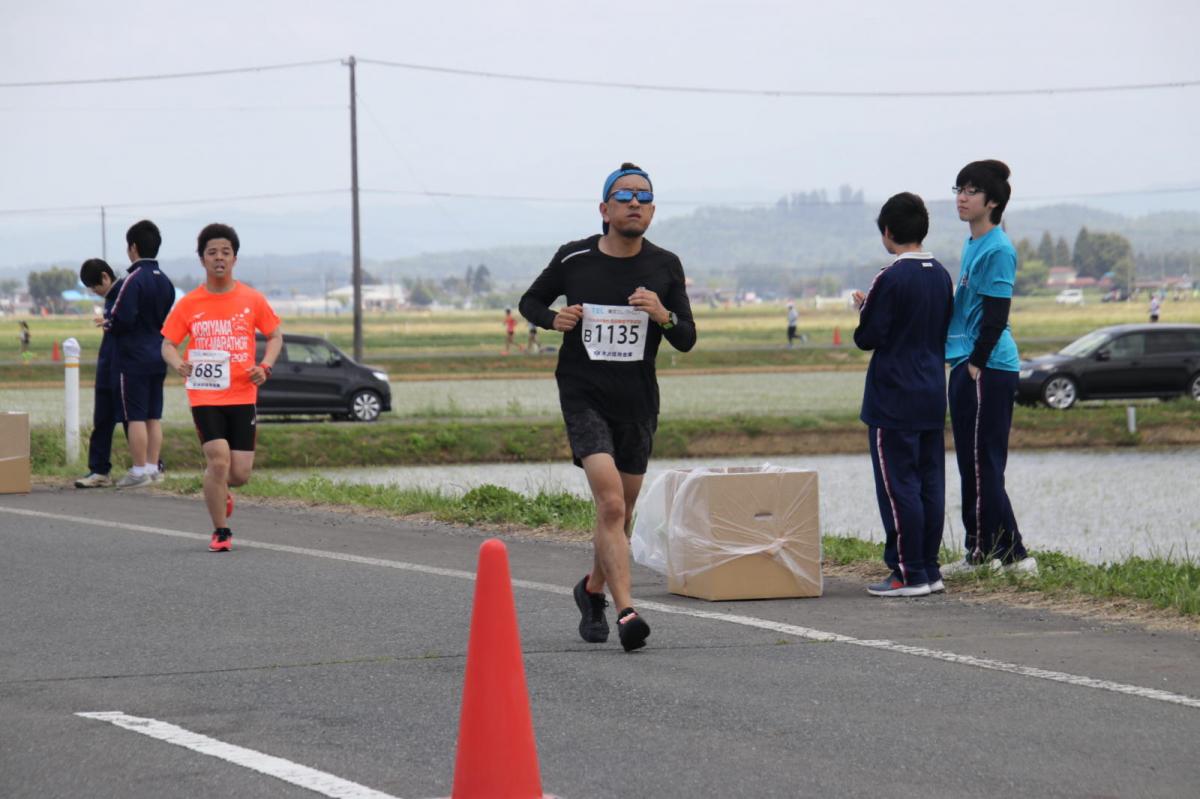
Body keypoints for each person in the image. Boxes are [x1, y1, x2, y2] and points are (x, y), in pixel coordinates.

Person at [519, 162, 696, 652]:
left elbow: (686, 338)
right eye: (623, 196)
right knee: (612, 503)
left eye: (644, 196)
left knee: (621, 511)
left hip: (637, 400)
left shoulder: (665, 265)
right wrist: (556, 318)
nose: (634, 202)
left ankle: (591, 590)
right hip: (583, 394)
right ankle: (626, 612)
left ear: (653, 210)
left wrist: (663, 315)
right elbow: (529, 302)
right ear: (604, 208)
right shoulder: (574, 258)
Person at [852, 193, 954, 597]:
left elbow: (868, 336)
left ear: (888, 232)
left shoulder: (890, 277)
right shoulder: (941, 273)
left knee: (898, 487)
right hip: (932, 390)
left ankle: (907, 572)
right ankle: (929, 568)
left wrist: (863, 309)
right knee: (929, 483)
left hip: (894, 395)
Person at [160, 223, 282, 552]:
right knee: (218, 461)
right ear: (202, 260)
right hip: (204, 394)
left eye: (225, 252)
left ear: (234, 259)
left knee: (239, 474)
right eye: (212, 252)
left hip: (243, 393)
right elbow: (168, 343)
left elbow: (274, 336)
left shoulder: (251, 299)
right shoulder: (189, 304)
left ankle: (220, 489)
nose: (219, 258)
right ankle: (221, 531)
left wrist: (265, 366)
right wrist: (177, 363)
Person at [943, 160, 1038, 577]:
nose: (961, 198)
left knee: (982, 466)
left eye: (971, 190)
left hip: (988, 367)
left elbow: (997, 314)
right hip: (970, 363)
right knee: (977, 463)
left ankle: (982, 555)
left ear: (993, 201)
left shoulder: (999, 249)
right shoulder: (971, 244)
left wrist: (977, 364)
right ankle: (1014, 556)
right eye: (958, 189)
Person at [106, 220, 175, 488]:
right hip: (158, 352)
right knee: (153, 415)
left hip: (133, 355)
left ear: (132, 247)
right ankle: (152, 468)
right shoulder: (166, 281)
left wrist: (109, 323)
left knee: (134, 416)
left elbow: (121, 316)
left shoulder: (132, 279)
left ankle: (137, 471)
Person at [74, 259, 125, 488]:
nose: (95, 292)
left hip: (123, 365)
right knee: (102, 419)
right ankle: (99, 469)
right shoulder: (109, 299)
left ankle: (149, 466)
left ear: (106, 277)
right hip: (107, 364)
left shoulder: (125, 293)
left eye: (95, 287)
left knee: (130, 419)